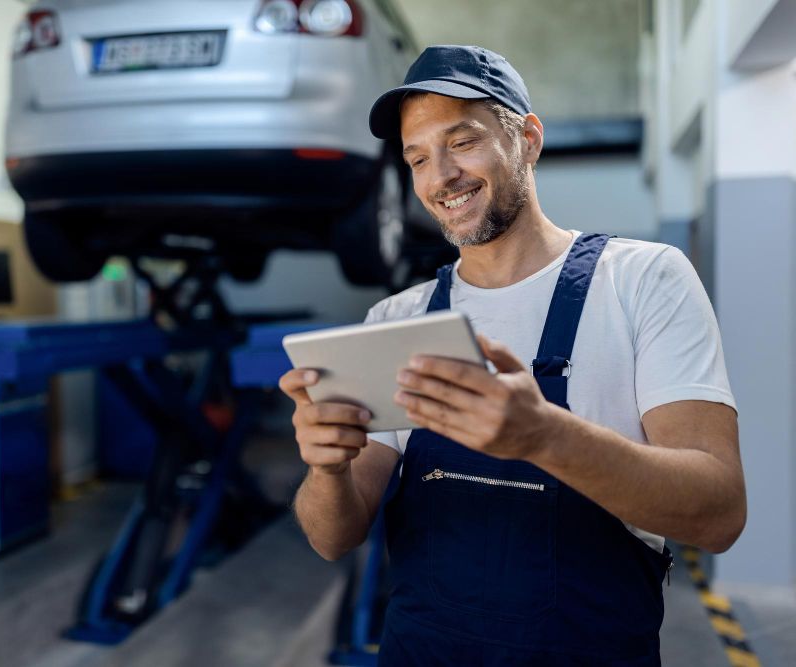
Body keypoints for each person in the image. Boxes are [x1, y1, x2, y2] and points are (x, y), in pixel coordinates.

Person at [279, 45, 746, 666]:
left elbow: (718, 514)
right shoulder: (397, 321)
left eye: (463, 142)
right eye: (417, 157)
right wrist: (326, 468)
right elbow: (332, 538)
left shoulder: (642, 281)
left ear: (527, 139)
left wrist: (545, 436)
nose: (439, 175)